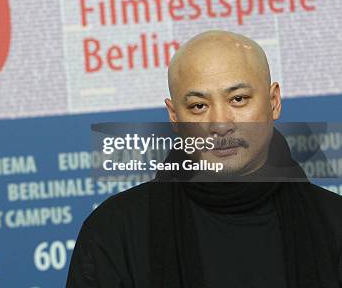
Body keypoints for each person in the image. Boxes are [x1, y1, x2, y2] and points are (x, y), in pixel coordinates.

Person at [66, 30, 342, 288]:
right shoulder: (114, 231)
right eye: (198, 106)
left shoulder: (333, 221)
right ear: (174, 116)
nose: (220, 124)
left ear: (273, 102)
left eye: (238, 99)